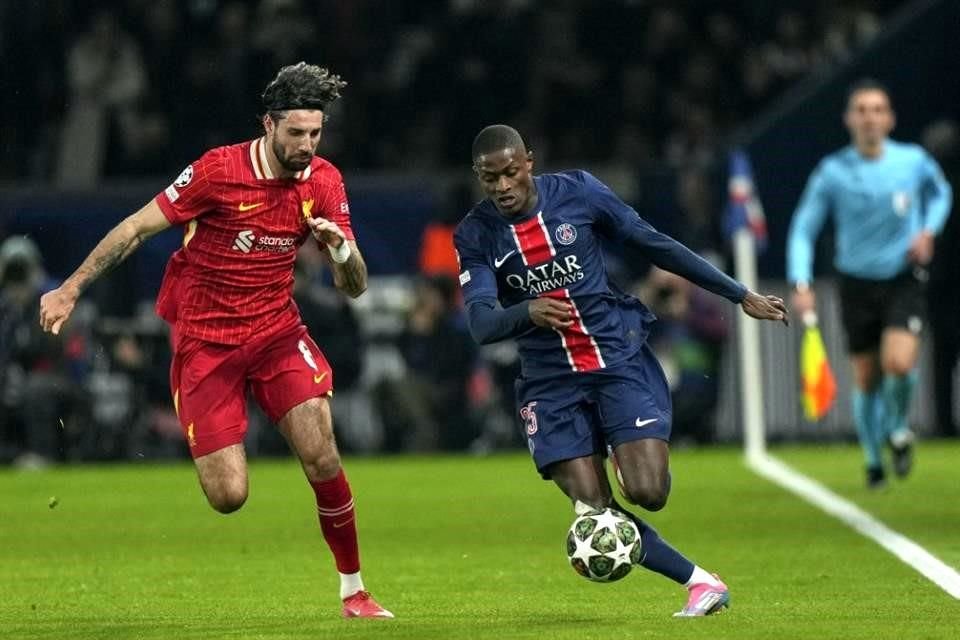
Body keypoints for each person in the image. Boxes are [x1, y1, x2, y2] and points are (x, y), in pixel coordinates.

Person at [39, 62, 393, 619]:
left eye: (315, 133)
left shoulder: (323, 180)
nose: (306, 145)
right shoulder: (217, 171)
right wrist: (72, 287)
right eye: (295, 133)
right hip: (206, 343)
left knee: (322, 455)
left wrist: (341, 251)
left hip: (277, 332)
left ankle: (355, 590)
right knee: (229, 496)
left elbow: (356, 287)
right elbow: (135, 228)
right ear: (268, 124)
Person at [454, 124, 788, 617]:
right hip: (549, 382)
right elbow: (481, 323)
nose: (502, 187)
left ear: (529, 161)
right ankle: (701, 583)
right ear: (478, 177)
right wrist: (527, 311)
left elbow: (654, 244)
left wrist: (740, 294)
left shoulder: (580, 194)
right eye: (490, 179)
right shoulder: (476, 233)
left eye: (509, 173)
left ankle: (619, 446)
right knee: (594, 510)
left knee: (649, 492)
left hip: (614, 357)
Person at [787, 79, 953, 489]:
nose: (870, 117)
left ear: (890, 118)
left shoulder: (913, 161)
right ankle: (873, 459)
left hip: (902, 277)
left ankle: (897, 427)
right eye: (861, 110)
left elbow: (942, 193)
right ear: (849, 119)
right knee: (866, 377)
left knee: (899, 362)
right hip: (856, 283)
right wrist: (801, 280)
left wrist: (928, 231)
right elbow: (803, 230)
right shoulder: (832, 172)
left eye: (877, 109)